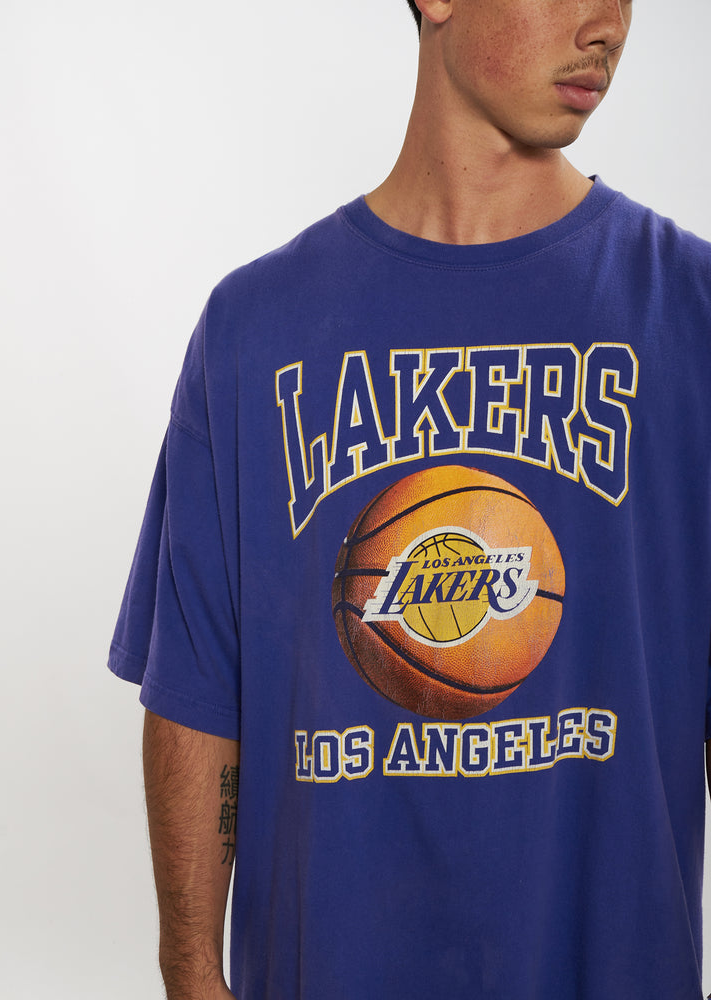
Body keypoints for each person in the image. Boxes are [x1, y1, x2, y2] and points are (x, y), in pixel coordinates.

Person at [109, 1, 711, 997]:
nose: (605, 24)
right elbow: (198, 693)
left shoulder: (690, 313)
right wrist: (191, 975)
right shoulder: (253, 330)